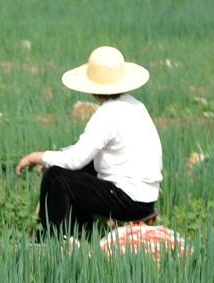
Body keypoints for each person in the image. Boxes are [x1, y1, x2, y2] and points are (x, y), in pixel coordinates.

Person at [16, 46, 162, 236]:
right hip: (146, 199)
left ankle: (50, 242)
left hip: (128, 201)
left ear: (93, 90)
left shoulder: (107, 114)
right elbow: (83, 155)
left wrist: (38, 157)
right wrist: (56, 158)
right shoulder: (136, 106)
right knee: (77, 171)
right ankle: (82, 235)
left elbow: (75, 158)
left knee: (56, 177)